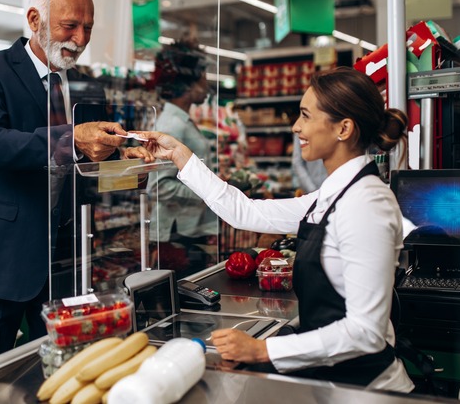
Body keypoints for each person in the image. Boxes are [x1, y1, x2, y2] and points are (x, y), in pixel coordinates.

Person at [134, 66, 414, 392]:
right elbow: (244, 212)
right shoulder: (332, 196)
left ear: (344, 128)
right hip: (336, 382)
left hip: (370, 390)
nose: (296, 127)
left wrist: (261, 349)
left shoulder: (367, 205)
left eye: (306, 116)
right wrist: (180, 155)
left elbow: (366, 331)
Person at [0, 0, 151, 367]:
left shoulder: (90, 88)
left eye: (87, 28)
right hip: (0, 260)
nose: (79, 39)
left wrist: (128, 168)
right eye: (69, 26)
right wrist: (73, 137)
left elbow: (93, 165)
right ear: (35, 20)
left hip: (67, 260)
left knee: (64, 370)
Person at [147, 36, 218, 277]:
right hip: (177, 237)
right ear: (188, 84)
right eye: (203, 78)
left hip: (187, 233)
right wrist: (208, 191)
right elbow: (158, 187)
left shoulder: (183, 121)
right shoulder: (172, 125)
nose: (207, 85)